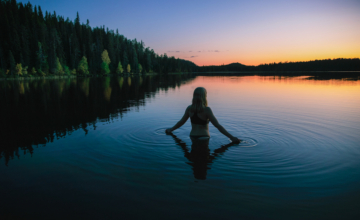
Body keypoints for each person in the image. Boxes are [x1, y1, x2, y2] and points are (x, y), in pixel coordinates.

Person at [165, 87, 241, 144]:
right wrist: (232, 137)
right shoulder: (207, 110)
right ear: (204, 96)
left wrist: (171, 129)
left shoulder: (189, 109)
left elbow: (181, 122)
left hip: (192, 137)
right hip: (204, 137)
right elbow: (218, 126)